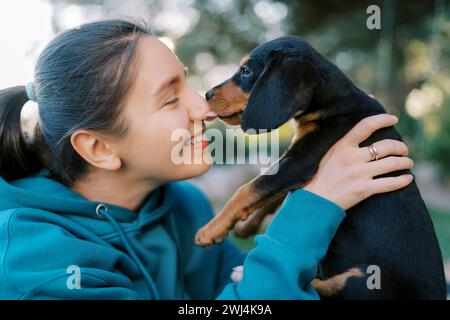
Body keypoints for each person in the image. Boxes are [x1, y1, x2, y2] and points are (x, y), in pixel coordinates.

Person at [0, 19, 414, 299]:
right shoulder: (38, 265)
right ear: (100, 148)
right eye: (169, 98)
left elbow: (252, 286)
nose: (203, 106)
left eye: (186, 82)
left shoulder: (185, 207)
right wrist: (307, 215)